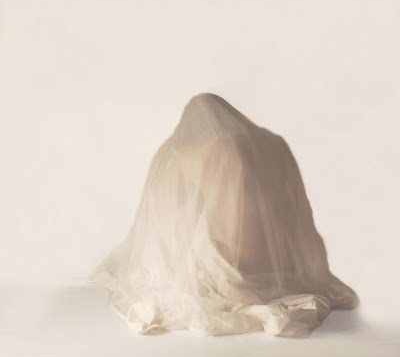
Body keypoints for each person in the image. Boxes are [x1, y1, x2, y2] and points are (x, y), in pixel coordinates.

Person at [90, 93, 359, 337]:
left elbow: (168, 212)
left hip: (234, 258)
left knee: (188, 242)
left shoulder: (188, 155)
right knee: (204, 231)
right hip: (278, 260)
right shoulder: (269, 146)